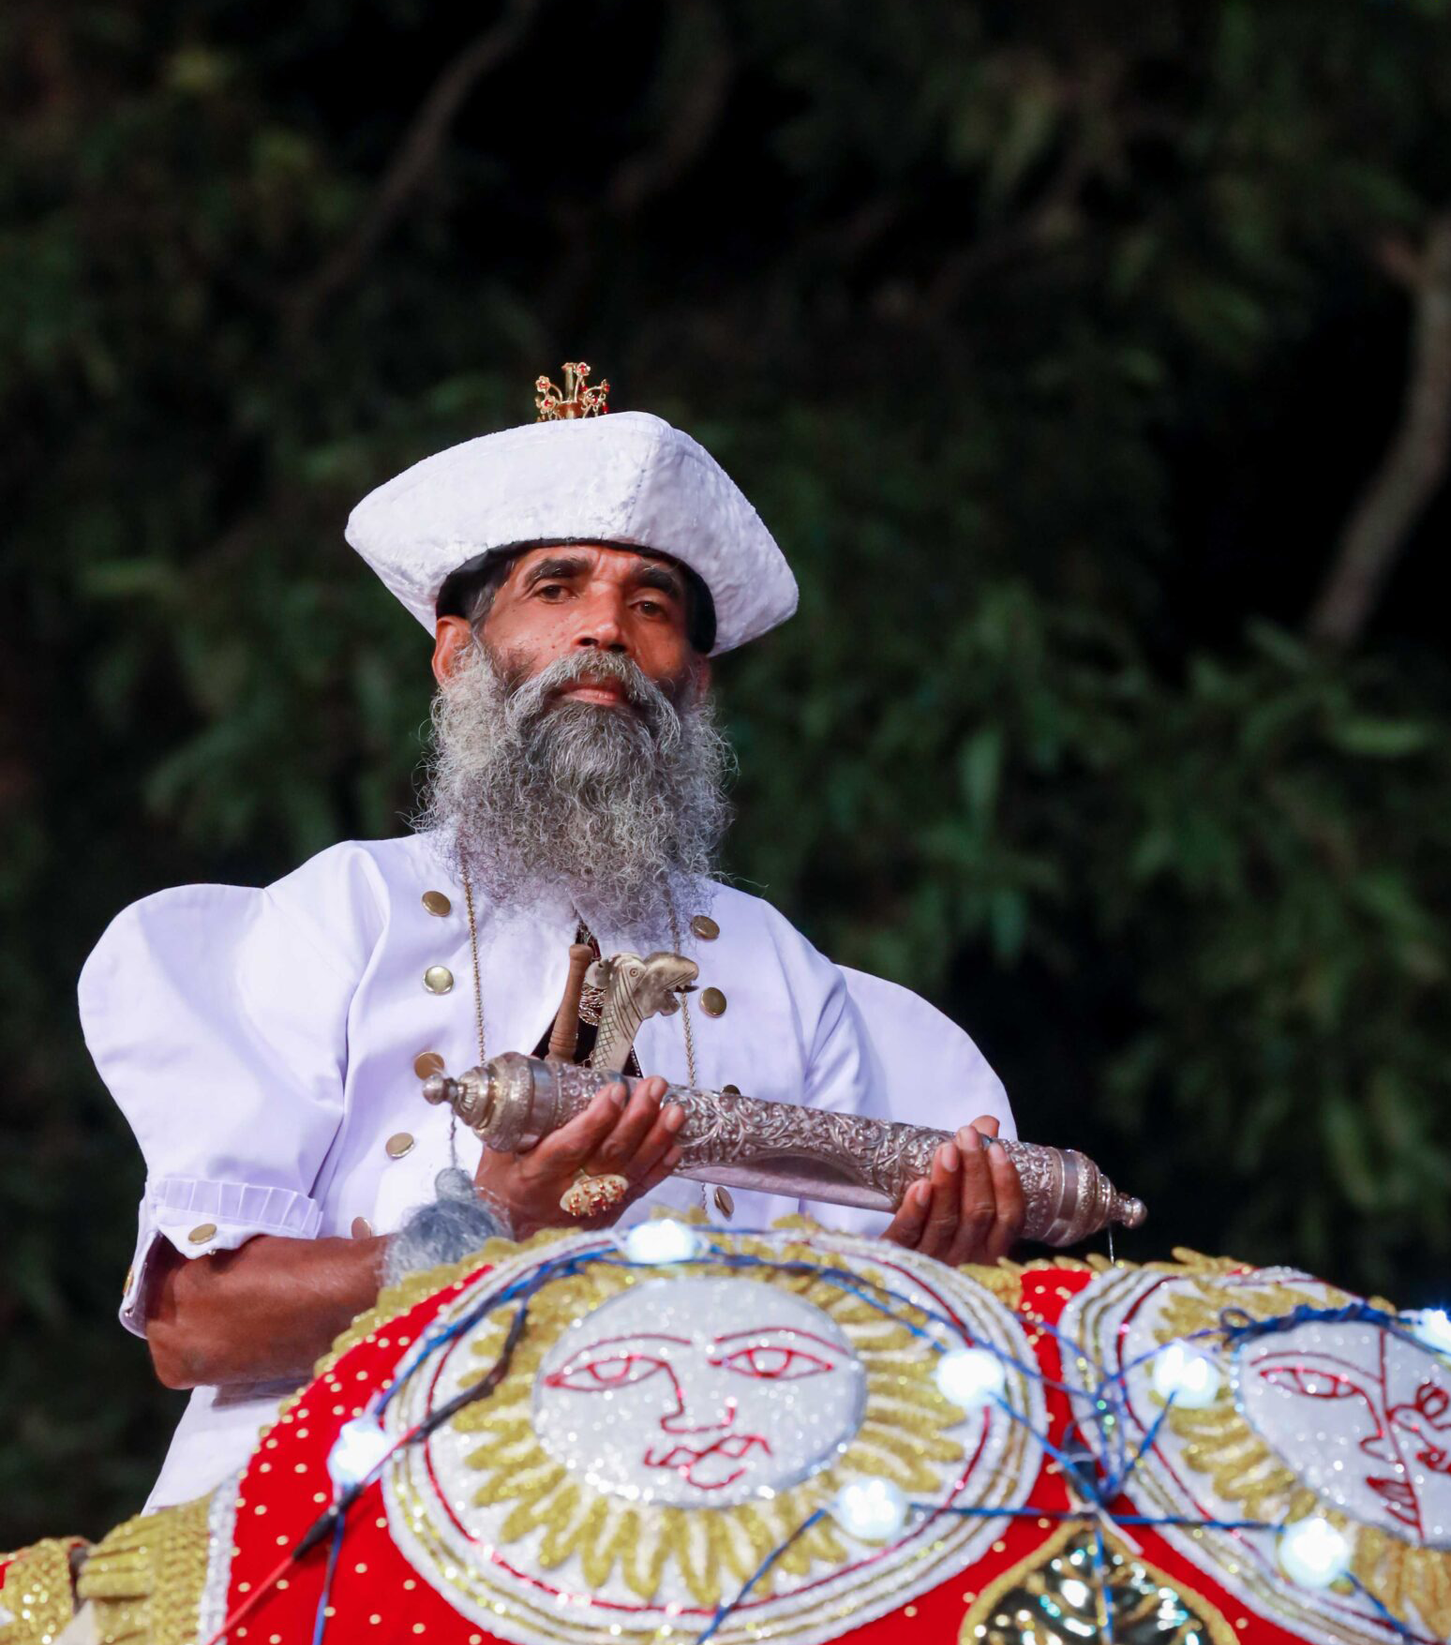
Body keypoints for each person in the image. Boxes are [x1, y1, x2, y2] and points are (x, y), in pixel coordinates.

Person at [80, 372, 1027, 1507]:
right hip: (346, 1530)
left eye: (652, 606)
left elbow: (838, 1361)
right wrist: (493, 1226)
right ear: (456, 655)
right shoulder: (343, 914)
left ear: (696, 685)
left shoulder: (777, 969)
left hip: (696, 1554)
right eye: (556, 587)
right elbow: (193, 1328)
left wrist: (931, 1289)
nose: (603, 630)